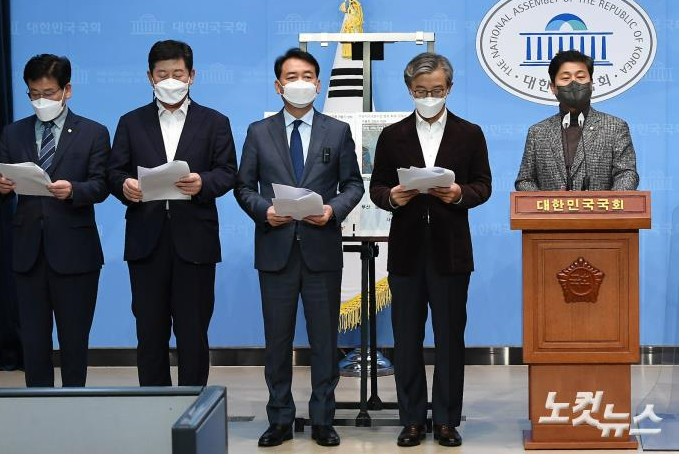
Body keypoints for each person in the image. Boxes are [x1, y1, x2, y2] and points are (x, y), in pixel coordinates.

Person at [235, 48, 363, 447]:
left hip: (321, 248)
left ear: (319, 83)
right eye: (292, 77)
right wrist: (264, 210)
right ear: (278, 85)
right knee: (277, 341)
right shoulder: (259, 131)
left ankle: (323, 417)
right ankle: (280, 419)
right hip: (275, 249)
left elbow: (354, 185)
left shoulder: (337, 131)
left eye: (308, 76)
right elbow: (243, 187)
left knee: (324, 340)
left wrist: (332, 209)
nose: (300, 83)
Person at [369, 52, 492, 447]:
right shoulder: (392, 136)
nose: (429, 96)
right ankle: (411, 420)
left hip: (451, 251)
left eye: (436, 90)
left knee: (449, 339)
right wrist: (392, 197)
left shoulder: (469, 133)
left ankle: (445, 420)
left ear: (449, 89)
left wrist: (459, 194)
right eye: (421, 91)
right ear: (409, 90)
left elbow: (484, 185)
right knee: (405, 339)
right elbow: (377, 188)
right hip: (406, 251)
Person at [107, 40, 237, 387]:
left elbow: (227, 172)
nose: (170, 80)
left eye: (177, 73)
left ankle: (194, 410)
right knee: (150, 332)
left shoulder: (214, 122)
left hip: (195, 239)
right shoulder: (131, 122)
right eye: (162, 74)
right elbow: (113, 171)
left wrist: (202, 182)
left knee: (193, 332)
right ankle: (154, 408)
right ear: (150, 77)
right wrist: (125, 186)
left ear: (192, 75)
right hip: (146, 240)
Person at [0, 54, 110, 387]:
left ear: (67, 90)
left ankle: (74, 409)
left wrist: (73, 189)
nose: (42, 100)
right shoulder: (13, 134)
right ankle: (38, 409)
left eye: (49, 92)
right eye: (34, 94)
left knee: (74, 341)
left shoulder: (93, 132)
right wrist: (0, 187)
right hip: (28, 253)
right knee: (34, 342)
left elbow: (102, 185)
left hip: (76, 254)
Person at [515, 49, 639, 191]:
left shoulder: (615, 127)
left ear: (591, 84)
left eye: (580, 77)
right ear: (553, 87)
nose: (574, 83)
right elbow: (525, 180)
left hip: (601, 211)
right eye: (566, 78)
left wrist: (607, 205)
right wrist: (547, 203)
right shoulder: (538, 132)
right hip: (552, 212)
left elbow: (626, 174)